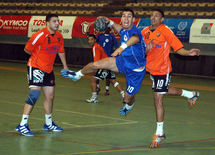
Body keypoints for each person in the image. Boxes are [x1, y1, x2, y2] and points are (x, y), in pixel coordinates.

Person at [61, 8, 152, 114]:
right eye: (124, 15)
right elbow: (119, 29)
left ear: (133, 19)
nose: (126, 18)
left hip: (135, 71)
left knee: (127, 99)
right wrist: (110, 22)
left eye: (129, 16)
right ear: (121, 18)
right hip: (123, 61)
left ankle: (130, 105)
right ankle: (77, 75)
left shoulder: (135, 31)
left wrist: (121, 48)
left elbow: (134, 38)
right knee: (96, 64)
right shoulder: (124, 29)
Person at [141, 9, 200, 148]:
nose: (153, 17)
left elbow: (177, 48)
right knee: (164, 90)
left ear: (162, 19)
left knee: (157, 98)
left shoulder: (166, 30)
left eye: (157, 16)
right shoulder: (145, 32)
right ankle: (191, 94)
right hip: (151, 70)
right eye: (152, 15)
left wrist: (188, 53)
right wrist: (145, 50)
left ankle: (160, 132)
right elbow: (141, 50)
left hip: (162, 69)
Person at [15, 14, 68, 136]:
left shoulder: (59, 36)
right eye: (54, 21)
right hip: (36, 67)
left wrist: (65, 66)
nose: (57, 23)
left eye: (58, 21)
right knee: (34, 94)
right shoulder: (39, 35)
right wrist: (37, 59)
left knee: (50, 96)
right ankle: (22, 124)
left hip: (49, 70)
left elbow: (61, 51)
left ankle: (48, 124)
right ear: (47, 23)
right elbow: (27, 49)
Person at [96, 28, 124, 96]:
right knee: (97, 74)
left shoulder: (112, 37)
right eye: (105, 28)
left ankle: (107, 89)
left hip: (109, 59)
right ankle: (97, 87)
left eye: (108, 28)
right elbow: (95, 43)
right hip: (101, 59)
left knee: (109, 76)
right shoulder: (100, 36)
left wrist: (116, 54)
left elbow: (117, 47)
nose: (106, 29)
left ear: (110, 29)